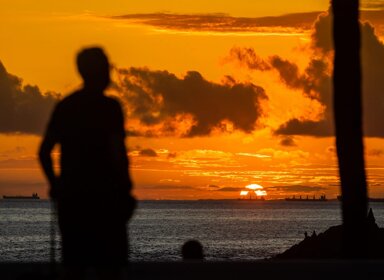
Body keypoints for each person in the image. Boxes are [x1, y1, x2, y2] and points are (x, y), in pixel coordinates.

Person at [39, 47, 135, 279]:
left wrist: (56, 184)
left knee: (75, 268)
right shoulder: (110, 108)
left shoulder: (66, 106)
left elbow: (44, 152)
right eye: (105, 67)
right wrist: (126, 188)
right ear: (99, 72)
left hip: (73, 200)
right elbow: (117, 152)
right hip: (105, 200)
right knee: (109, 268)